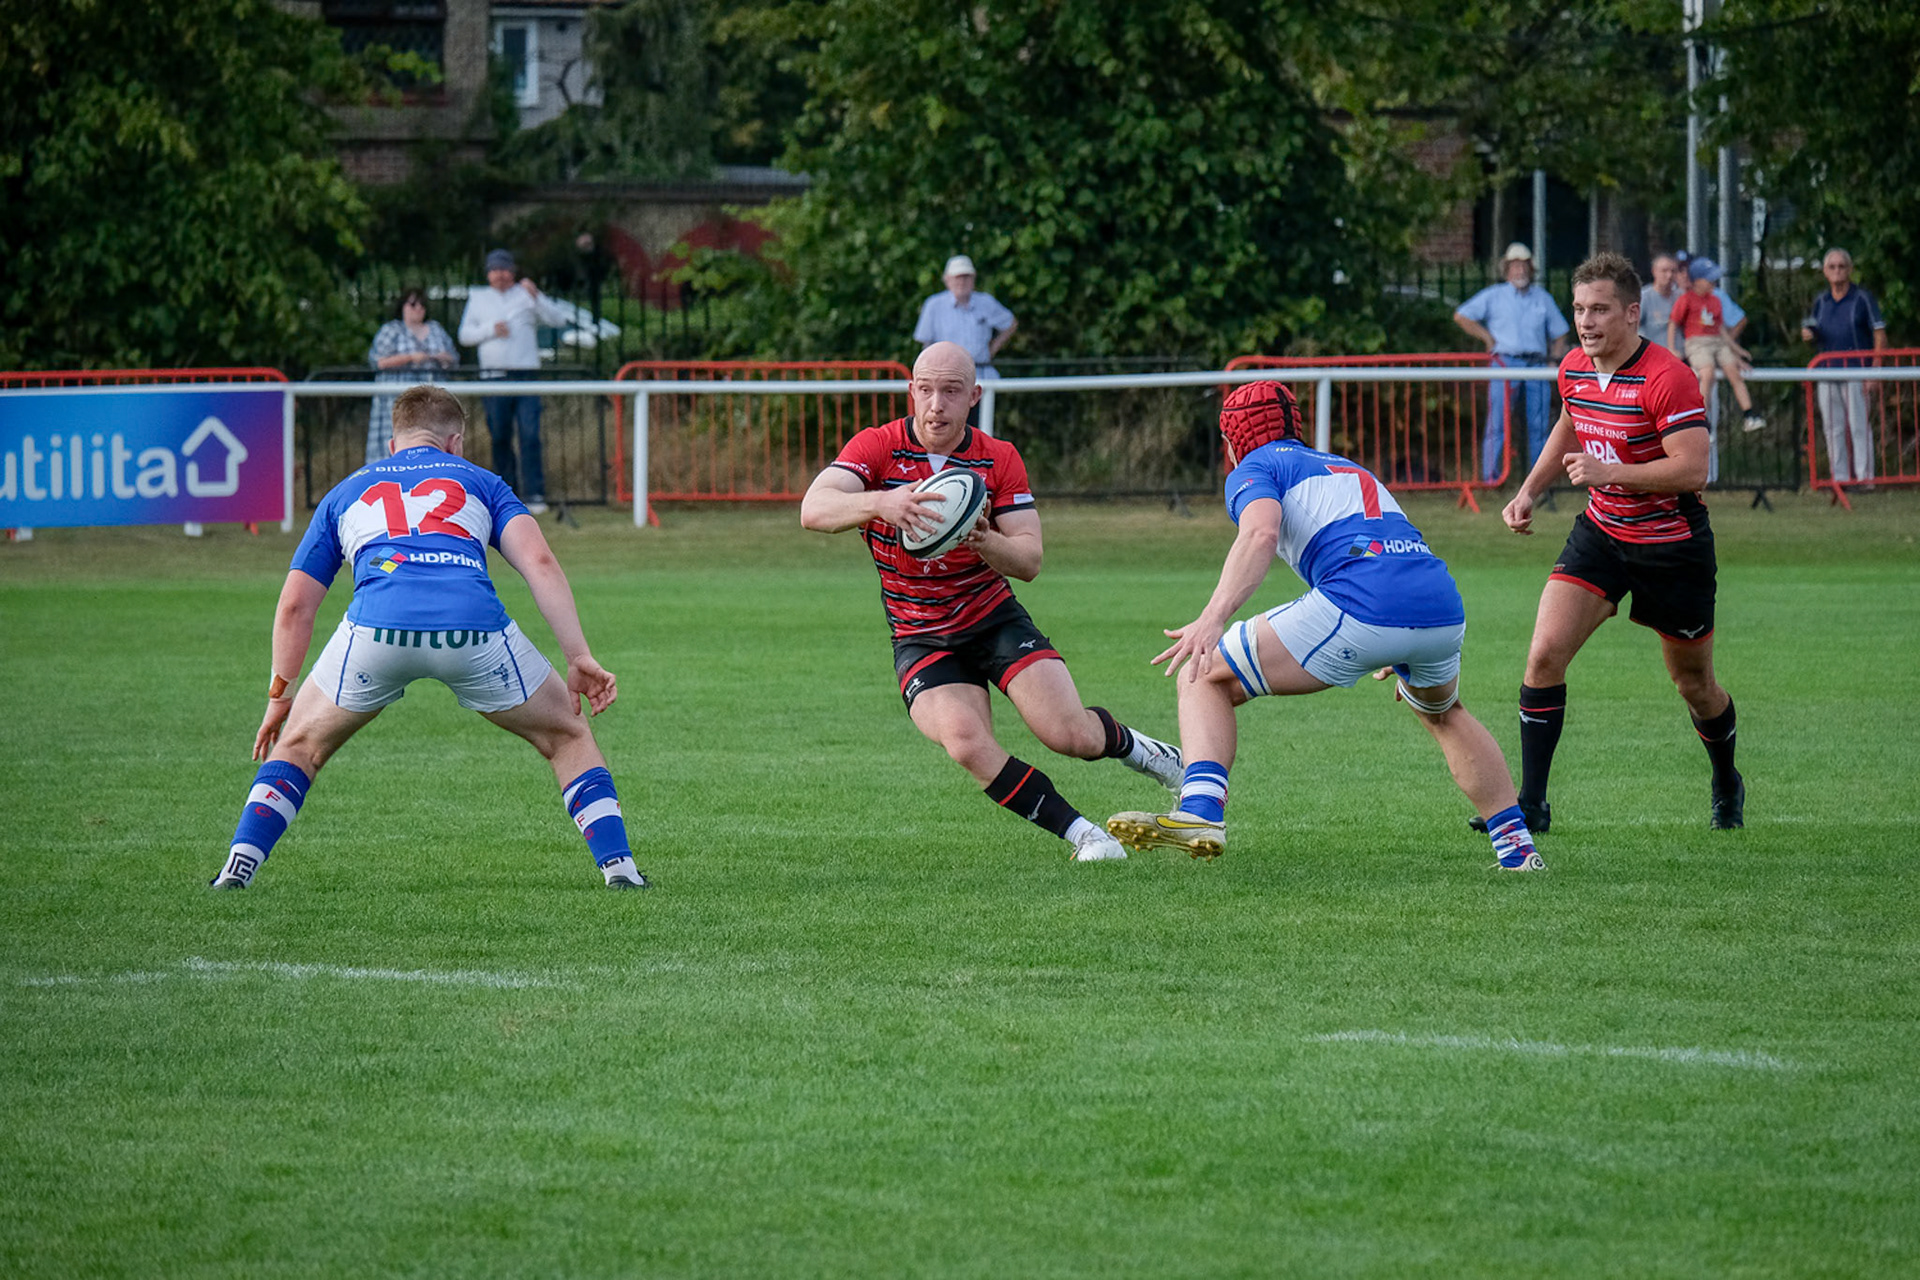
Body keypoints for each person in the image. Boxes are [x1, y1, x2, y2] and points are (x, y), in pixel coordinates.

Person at [209, 384, 647, 891]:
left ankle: (237, 869)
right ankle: (620, 870)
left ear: (392, 445)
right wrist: (578, 655)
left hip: (376, 629)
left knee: (299, 745)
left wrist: (280, 695)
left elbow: (294, 606)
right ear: (455, 442)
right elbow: (540, 563)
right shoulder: (482, 481)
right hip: (472, 628)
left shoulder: (345, 491)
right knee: (568, 735)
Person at [1104, 380, 1545, 872]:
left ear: (1234, 440)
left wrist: (1212, 618)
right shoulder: (1344, 466)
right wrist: (1393, 640)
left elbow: (1260, 533)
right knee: (1446, 715)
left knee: (1204, 674)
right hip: (1438, 604)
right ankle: (1519, 851)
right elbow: (1383, 538)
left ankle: (1201, 813)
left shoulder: (1255, 466)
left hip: (1364, 603)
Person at [799, 341, 1181, 863]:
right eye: (926, 390)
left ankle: (1149, 754)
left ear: (974, 396)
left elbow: (1029, 559)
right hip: (922, 635)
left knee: (1070, 734)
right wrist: (882, 502)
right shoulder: (878, 447)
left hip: (993, 619)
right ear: (911, 391)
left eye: (951, 391)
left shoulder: (998, 457)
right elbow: (814, 509)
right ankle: (1086, 836)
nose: (936, 404)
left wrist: (982, 538)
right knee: (965, 742)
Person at [1498, 251, 1743, 834]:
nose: (1586, 322)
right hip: (1603, 533)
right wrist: (1529, 489)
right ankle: (1531, 806)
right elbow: (1571, 423)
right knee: (1543, 655)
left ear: (1633, 313)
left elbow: (1693, 469)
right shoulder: (1574, 368)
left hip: (1672, 547)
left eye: (1600, 309)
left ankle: (1726, 780)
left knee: (1694, 686)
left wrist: (1612, 472)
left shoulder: (1668, 377)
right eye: (1580, 309)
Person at [457, 248, 570, 515]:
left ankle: (535, 492)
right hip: (494, 376)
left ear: (513, 272)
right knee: (500, 435)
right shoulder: (479, 298)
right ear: (488, 273)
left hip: (526, 375)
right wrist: (490, 330)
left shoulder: (525, 295)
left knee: (530, 434)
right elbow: (465, 335)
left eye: (505, 269)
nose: (500, 275)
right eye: (495, 270)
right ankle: (507, 492)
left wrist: (537, 296)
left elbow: (558, 319)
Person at [1453, 243, 1571, 482]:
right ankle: (1491, 478)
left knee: (1539, 423)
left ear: (1531, 269)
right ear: (1506, 270)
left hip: (1536, 363)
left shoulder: (1542, 298)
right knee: (1497, 421)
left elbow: (1560, 332)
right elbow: (1461, 315)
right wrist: (1487, 338)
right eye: (1515, 266)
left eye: (1524, 265)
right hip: (1505, 362)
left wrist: (1553, 363)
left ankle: (1539, 478)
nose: (1520, 271)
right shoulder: (1494, 295)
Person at [1800, 247, 1889, 485]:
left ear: (1849, 269)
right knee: (1833, 428)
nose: (1837, 271)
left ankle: (1865, 479)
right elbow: (1815, 332)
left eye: (1841, 266)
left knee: (1859, 426)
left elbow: (1879, 334)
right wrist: (1809, 335)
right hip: (1827, 371)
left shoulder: (1862, 298)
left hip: (1857, 370)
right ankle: (1839, 480)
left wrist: (1875, 370)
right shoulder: (1821, 301)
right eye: (1832, 267)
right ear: (1825, 271)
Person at [913, 255, 1018, 428]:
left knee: (980, 428)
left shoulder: (985, 302)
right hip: (944, 381)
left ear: (973, 279)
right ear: (947, 280)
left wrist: (992, 349)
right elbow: (926, 346)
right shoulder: (934, 305)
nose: (962, 281)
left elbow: (1010, 324)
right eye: (957, 277)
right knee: (946, 426)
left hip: (980, 376)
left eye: (966, 277)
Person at [1667, 256, 1766, 433]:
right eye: (1709, 279)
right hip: (1698, 342)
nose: (1713, 282)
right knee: (1707, 373)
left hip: (1717, 341)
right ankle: (1701, 416)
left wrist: (1736, 351)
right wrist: (1671, 347)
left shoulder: (1715, 300)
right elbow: (1673, 322)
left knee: (1734, 373)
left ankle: (1749, 414)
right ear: (1697, 281)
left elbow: (1720, 330)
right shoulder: (1686, 299)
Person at [365, 287, 457, 466]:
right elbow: (379, 362)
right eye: (413, 304)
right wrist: (410, 358)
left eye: (422, 304)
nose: (418, 308)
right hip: (395, 398)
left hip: (431, 398)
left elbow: (453, 358)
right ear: (403, 307)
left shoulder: (436, 329)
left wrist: (438, 357)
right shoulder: (391, 330)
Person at [1639, 254, 1683, 346]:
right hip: (1654, 350)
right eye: (1664, 271)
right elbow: (1633, 327)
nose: (1669, 275)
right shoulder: (1644, 297)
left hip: (1679, 352)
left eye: (1673, 271)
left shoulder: (1681, 296)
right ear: (1654, 271)